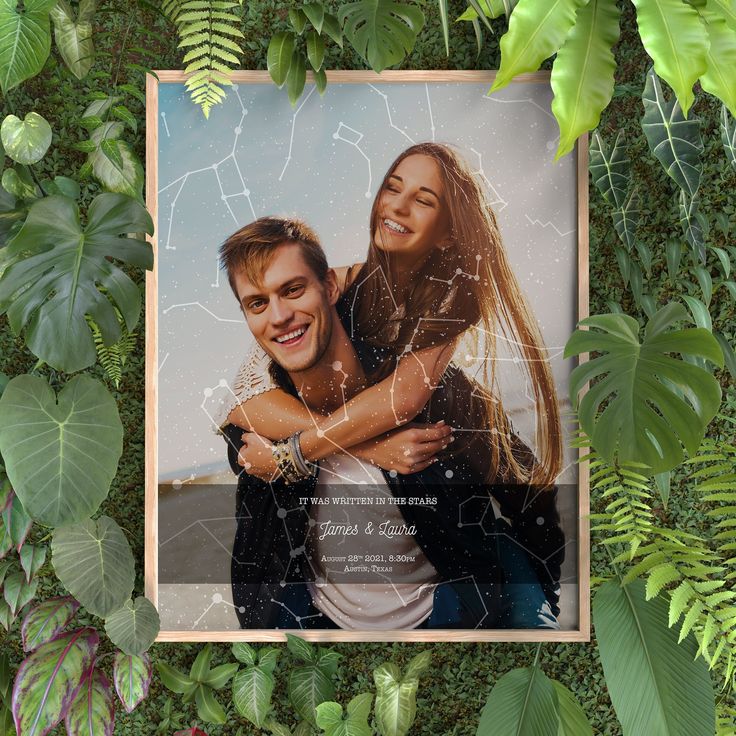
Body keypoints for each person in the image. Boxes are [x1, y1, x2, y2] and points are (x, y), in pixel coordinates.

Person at [219, 216, 564, 630]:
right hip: (321, 621)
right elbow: (256, 552)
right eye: (257, 303)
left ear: (330, 287)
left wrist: (543, 597)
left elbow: (529, 494)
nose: (278, 316)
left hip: (452, 609)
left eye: (293, 290)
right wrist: (370, 446)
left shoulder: (440, 394)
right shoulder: (257, 427)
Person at [220, 142, 562, 490]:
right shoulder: (330, 286)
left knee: (524, 479)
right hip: (359, 416)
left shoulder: (456, 298)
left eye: (423, 200)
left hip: (449, 405)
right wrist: (374, 449)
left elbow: (400, 401)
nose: (397, 206)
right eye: (393, 187)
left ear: (448, 234)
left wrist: (289, 455)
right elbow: (241, 402)